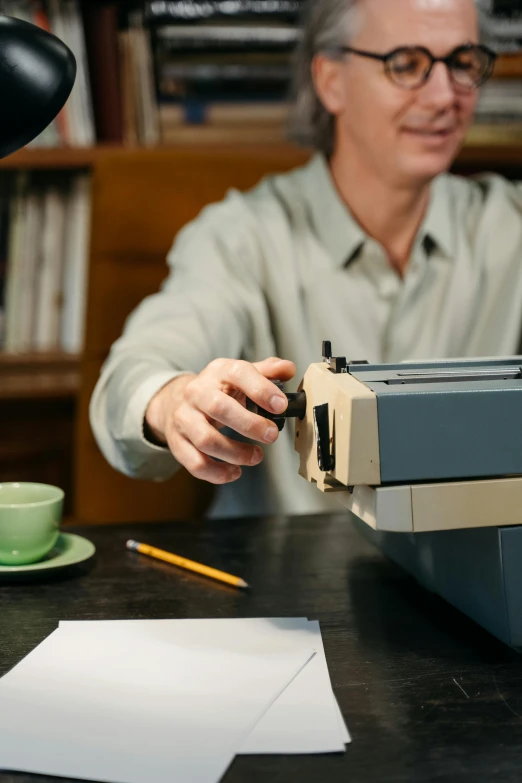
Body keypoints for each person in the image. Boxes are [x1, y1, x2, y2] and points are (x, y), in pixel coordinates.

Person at [90, 0, 522, 519]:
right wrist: (173, 401)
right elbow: (129, 379)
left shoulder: (508, 226)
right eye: (406, 64)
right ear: (330, 80)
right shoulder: (241, 238)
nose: (444, 95)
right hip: (281, 579)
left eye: (463, 62)